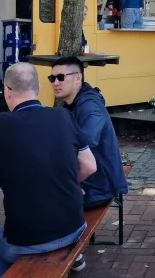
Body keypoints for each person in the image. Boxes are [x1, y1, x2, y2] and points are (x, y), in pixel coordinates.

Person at [0, 62, 97, 278]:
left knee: (0, 252)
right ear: (37, 88)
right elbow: (90, 166)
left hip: (25, 239)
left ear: (7, 92)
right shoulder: (63, 116)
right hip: (74, 226)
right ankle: (76, 258)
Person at [51, 56, 128, 208]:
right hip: (93, 180)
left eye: (60, 77)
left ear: (77, 77)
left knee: (40, 198)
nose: (55, 83)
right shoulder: (75, 103)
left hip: (98, 187)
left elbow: (83, 144)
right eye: (52, 78)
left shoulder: (89, 107)